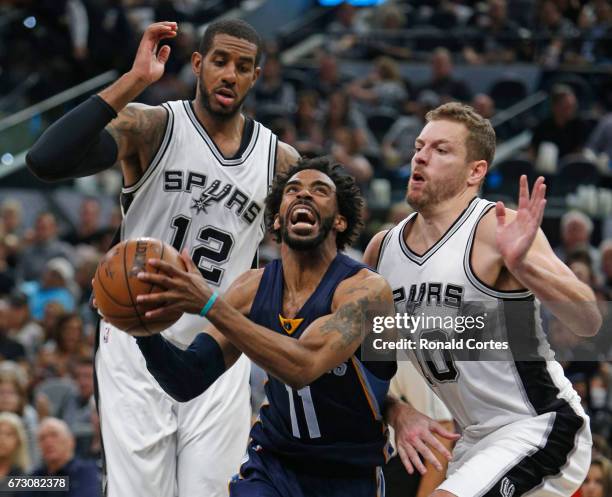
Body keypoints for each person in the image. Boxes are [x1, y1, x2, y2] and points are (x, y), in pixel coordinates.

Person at [25, 19, 299, 497]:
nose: (229, 75)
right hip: (136, 335)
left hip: (219, 345)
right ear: (197, 64)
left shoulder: (280, 163)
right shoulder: (153, 125)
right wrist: (135, 80)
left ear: (256, 76)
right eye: (219, 61)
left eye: (243, 66)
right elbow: (46, 160)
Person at [130, 158, 458, 496]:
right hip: (273, 464)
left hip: (348, 475)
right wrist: (140, 328)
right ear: (276, 218)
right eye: (293, 190)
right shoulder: (250, 289)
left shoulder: (366, 291)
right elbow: (188, 378)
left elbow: (303, 366)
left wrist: (210, 305)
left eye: (320, 191)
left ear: (340, 220)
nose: (304, 196)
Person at [364, 102, 601, 496]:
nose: (421, 156)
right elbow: (368, 365)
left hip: (538, 424)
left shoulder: (494, 227)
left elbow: (589, 321)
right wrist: (396, 411)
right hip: (473, 439)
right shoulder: (382, 250)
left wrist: (524, 267)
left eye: (441, 150)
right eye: (420, 146)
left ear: (476, 171)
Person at [24, 417, 100, 497]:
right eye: (42, 438)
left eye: (54, 435)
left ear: (71, 441)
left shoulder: (86, 472)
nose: (48, 442)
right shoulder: (35, 476)